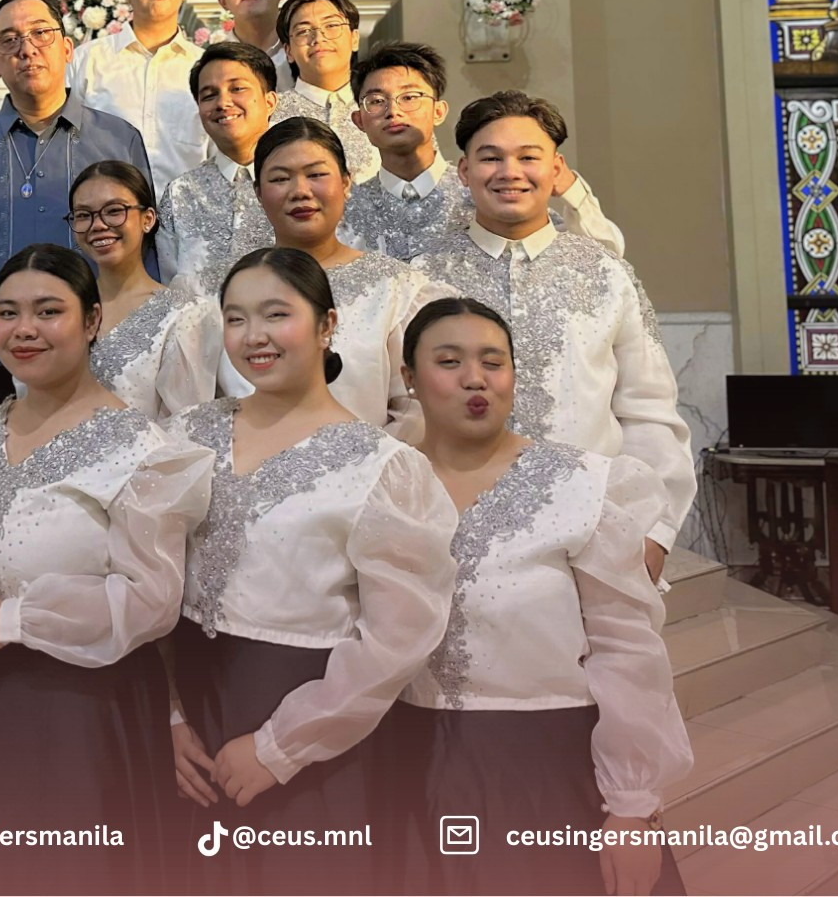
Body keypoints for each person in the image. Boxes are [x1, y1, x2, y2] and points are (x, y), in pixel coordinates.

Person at [167, 247, 458, 892]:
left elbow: (397, 638)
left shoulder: (381, 465)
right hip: (189, 714)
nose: (255, 337)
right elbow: (145, 580)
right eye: (236, 319)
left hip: (309, 724)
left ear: (328, 325)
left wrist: (280, 748)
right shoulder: (186, 437)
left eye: (278, 314)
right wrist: (170, 718)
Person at [0, 244, 210, 892]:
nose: (24, 329)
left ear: (91, 322)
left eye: (48, 311)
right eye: (8, 313)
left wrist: (15, 619)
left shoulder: (139, 449)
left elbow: (151, 599)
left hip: (78, 711)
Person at [391, 297, 690, 894]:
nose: (475, 378)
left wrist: (633, 808)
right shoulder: (383, 483)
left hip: (545, 767)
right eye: (448, 361)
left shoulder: (581, 485)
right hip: (405, 762)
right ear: (409, 379)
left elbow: (627, 650)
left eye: (493, 362)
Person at [411, 92, 695, 579]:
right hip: (450, 536)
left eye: (528, 157)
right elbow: (403, 411)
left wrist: (656, 533)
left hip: (591, 530)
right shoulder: (422, 278)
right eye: (491, 158)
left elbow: (650, 414)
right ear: (463, 171)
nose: (510, 171)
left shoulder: (606, 273)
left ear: (556, 167)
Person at [0, 0, 155, 410]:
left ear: (67, 49)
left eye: (41, 33)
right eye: (10, 40)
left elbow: (145, 251)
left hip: (97, 356)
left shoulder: (118, 139)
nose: (27, 49)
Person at [241, 118, 455, 440]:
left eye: (316, 175)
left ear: (345, 183)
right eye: (280, 178)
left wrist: (360, 474)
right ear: (258, 193)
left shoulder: (396, 289)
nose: (300, 192)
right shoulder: (230, 291)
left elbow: (416, 409)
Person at [339, 43, 625, 262]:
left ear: (439, 111)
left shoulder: (486, 187)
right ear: (359, 121)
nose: (394, 110)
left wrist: (573, 192)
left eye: (410, 97)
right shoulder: (347, 210)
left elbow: (605, 256)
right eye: (377, 100)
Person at [67, 161, 219, 419]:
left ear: (148, 219)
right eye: (83, 215)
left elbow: (186, 424)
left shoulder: (185, 315)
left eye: (114, 211)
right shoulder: (63, 307)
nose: (98, 225)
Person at [68, 0, 209, 195]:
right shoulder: (87, 61)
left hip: (189, 221)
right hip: (108, 217)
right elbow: (63, 145)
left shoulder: (206, 67)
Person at [160, 41, 281, 290]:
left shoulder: (305, 182)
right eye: (209, 95)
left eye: (237, 88)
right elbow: (165, 287)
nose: (223, 103)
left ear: (269, 102)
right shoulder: (180, 193)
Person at [265, 0, 380, 183]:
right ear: (289, 51)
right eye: (303, 31)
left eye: (332, 26)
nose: (318, 38)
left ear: (354, 39)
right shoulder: (268, 115)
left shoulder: (383, 107)